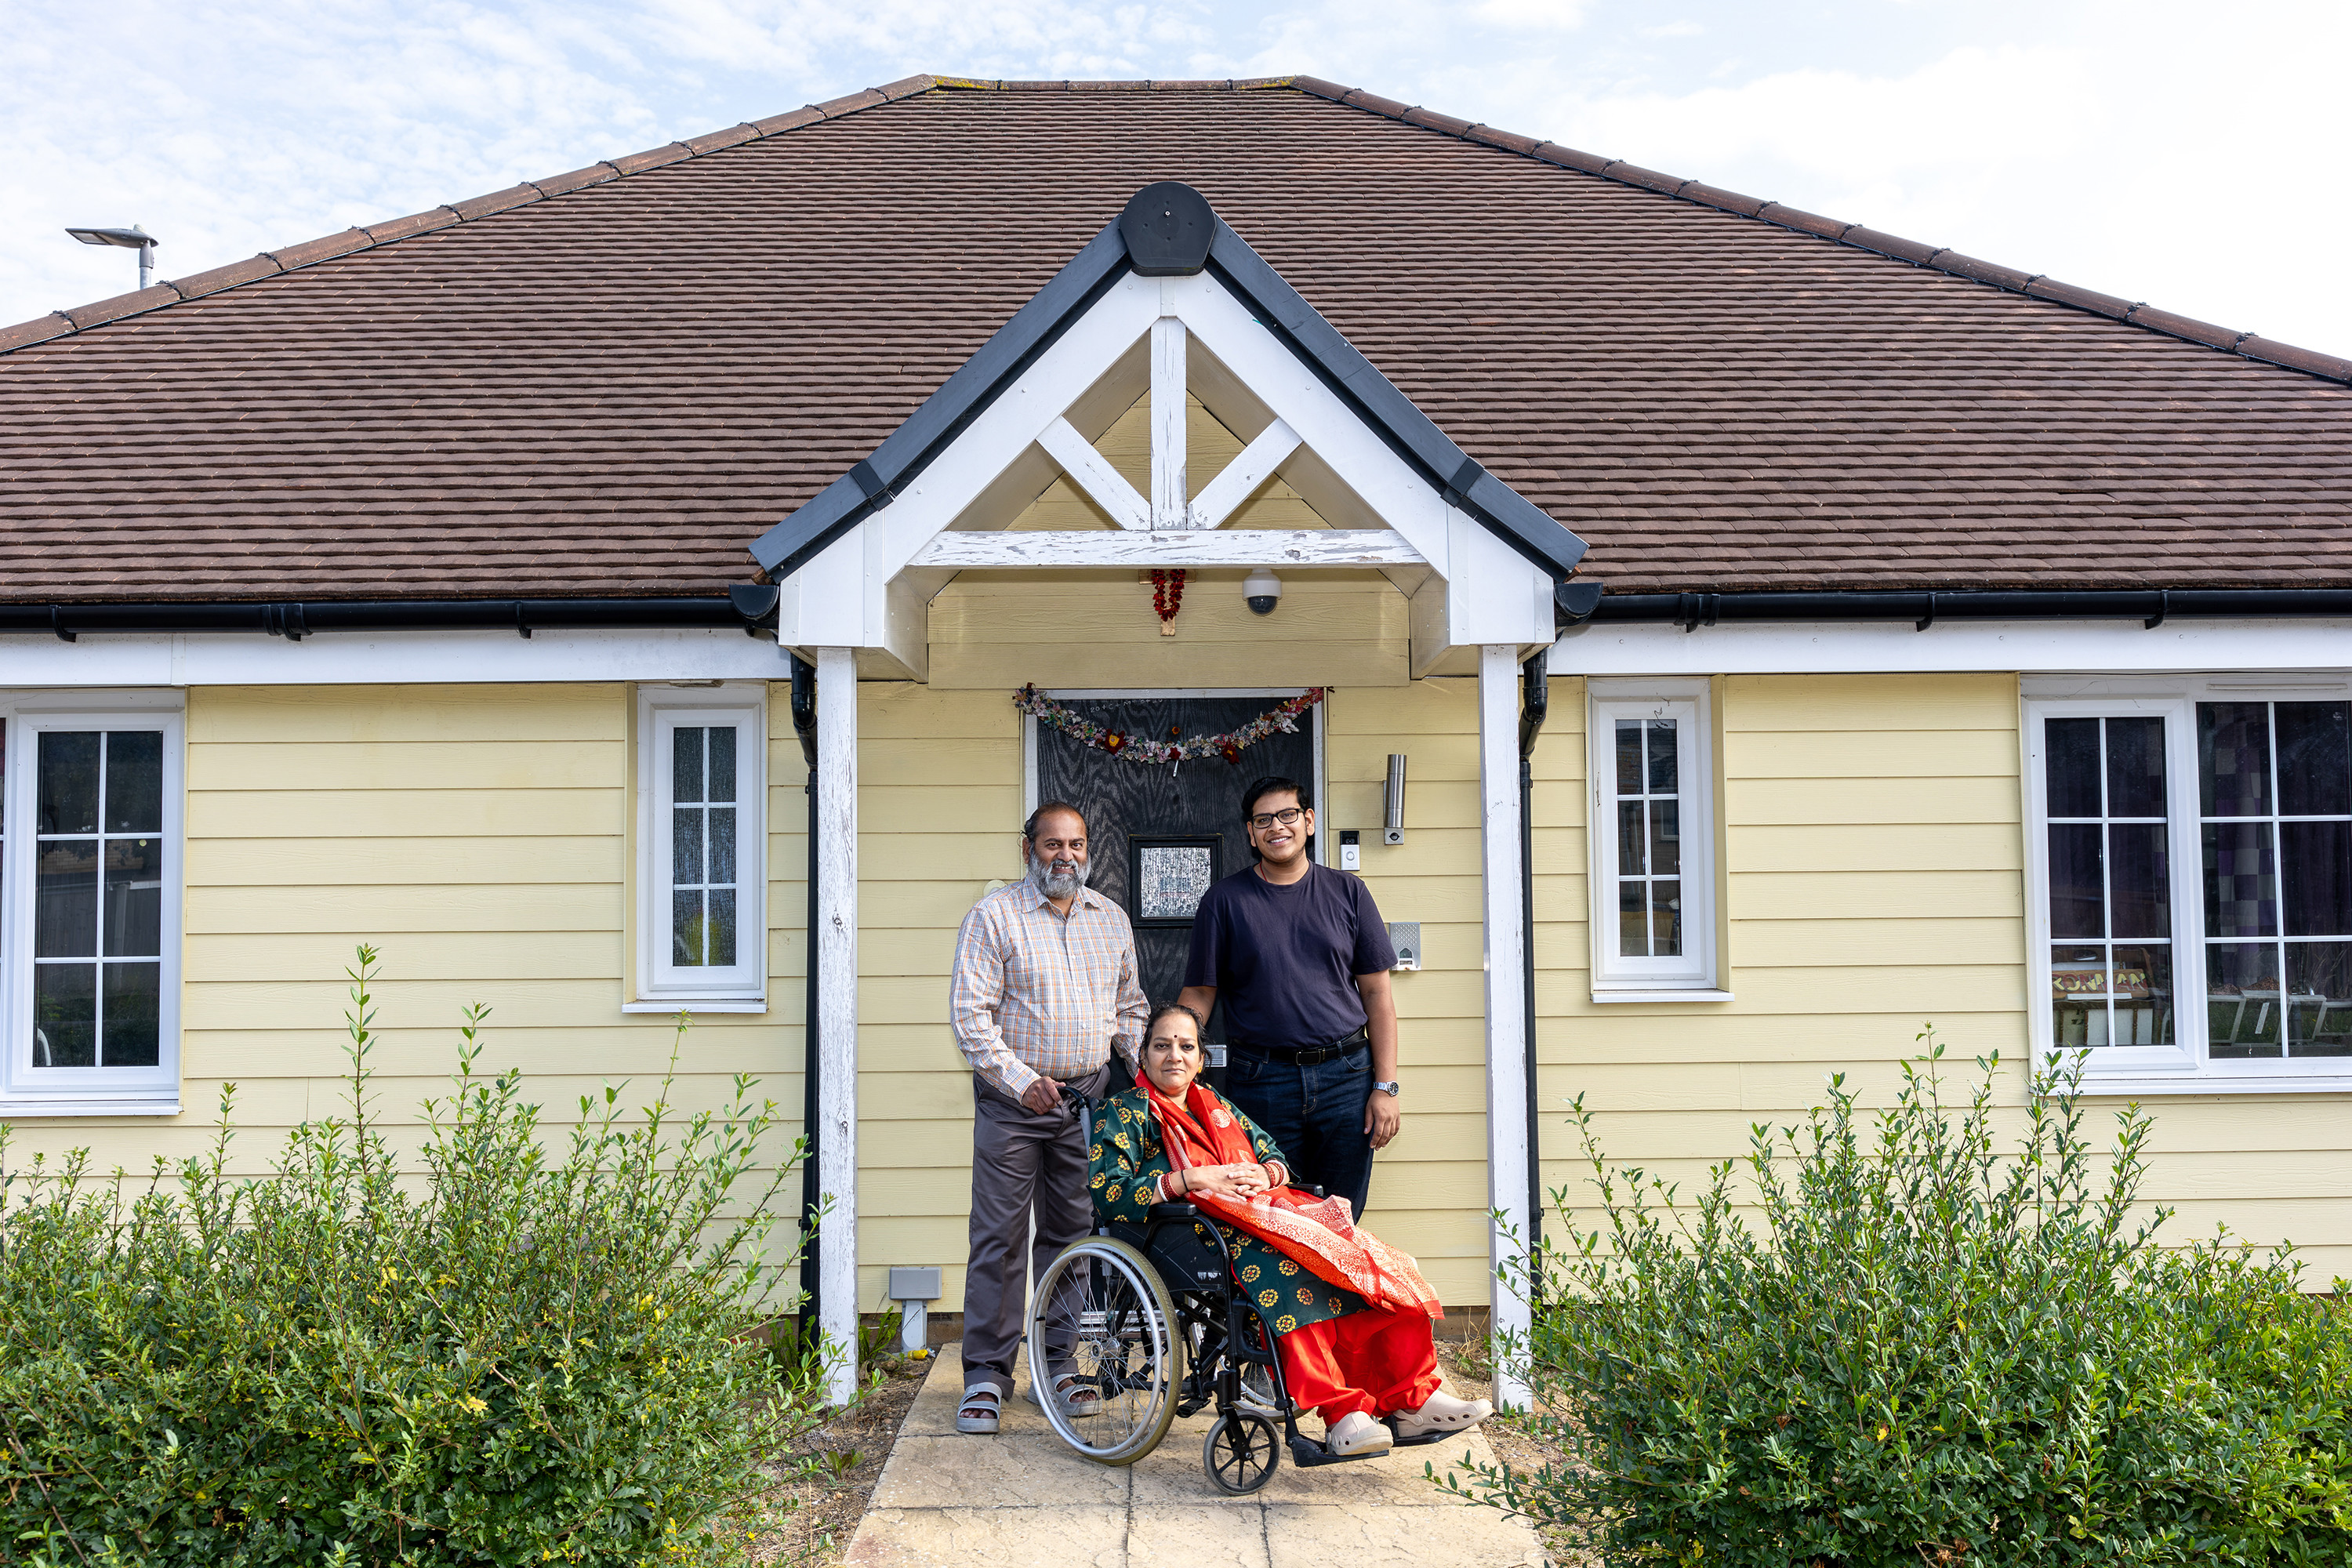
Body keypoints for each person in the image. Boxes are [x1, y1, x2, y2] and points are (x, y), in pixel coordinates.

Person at [1091, 1003, 1491, 1456]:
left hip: (1265, 1216)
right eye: (1162, 1046)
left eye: (1187, 1046)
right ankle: (1342, 1413)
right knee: (1294, 1277)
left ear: (1201, 1059)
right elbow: (1110, 1192)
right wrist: (1191, 1179)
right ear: (1142, 1056)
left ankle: (1411, 1399)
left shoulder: (1217, 1107)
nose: (1174, 1056)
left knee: (1373, 1264)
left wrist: (1268, 1175)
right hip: (1193, 1235)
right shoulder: (1123, 1112)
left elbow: (1272, 1153)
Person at [948, 800, 1149, 1437]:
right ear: (1028, 846)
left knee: (1071, 1237)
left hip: (1085, 1101)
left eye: (1077, 845)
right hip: (1013, 1104)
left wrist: (1148, 1076)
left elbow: (1130, 1007)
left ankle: (1057, 1368)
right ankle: (986, 1374)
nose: (1066, 856)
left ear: (1089, 852)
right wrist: (1022, 1080)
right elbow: (971, 1019)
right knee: (999, 1239)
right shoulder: (993, 917)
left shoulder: (1110, 919)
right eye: (1053, 844)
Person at [1178, 775, 1399, 1220]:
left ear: (1309, 821)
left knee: (1340, 1215)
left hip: (1347, 1079)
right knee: (1271, 1215)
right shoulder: (1225, 900)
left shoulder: (1349, 892)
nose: (1276, 827)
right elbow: (1201, 992)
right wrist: (1175, 1059)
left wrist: (1386, 1086)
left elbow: (1377, 994)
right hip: (1262, 1082)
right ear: (1250, 831)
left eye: (1287, 815)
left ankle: (1335, 1293)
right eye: (1263, 819)